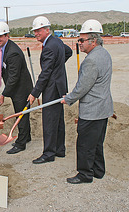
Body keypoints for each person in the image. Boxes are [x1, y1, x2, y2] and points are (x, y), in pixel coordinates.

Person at [61, 19, 113, 184]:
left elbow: (82, 87)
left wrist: (68, 99)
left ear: (94, 41)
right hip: (103, 109)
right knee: (97, 143)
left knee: (84, 144)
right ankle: (98, 170)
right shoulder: (104, 53)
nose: (79, 43)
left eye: (82, 40)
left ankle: (85, 174)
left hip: (92, 111)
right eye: (79, 39)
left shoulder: (90, 60)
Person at [27, 16, 72, 164]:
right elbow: (69, 52)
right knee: (58, 119)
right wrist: (57, 67)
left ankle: (48, 154)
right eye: (35, 31)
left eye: (38, 30)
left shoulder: (49, 47)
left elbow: (45, 74)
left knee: (49, 120)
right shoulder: (57, 41)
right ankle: (60, 149)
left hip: (52, 88)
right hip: (60, 86)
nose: (36, 34)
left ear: (47, 30)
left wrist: (34, 93)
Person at [0, 21, 33, 154]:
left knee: (21, 115)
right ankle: (26, 137)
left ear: (7, 35)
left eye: (0, 36)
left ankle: (21, 144)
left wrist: (3, 94)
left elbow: (14, 77)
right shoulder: (4, 47)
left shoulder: (13, 52)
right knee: (21, 114)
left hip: (21, 89)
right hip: (16, 89)